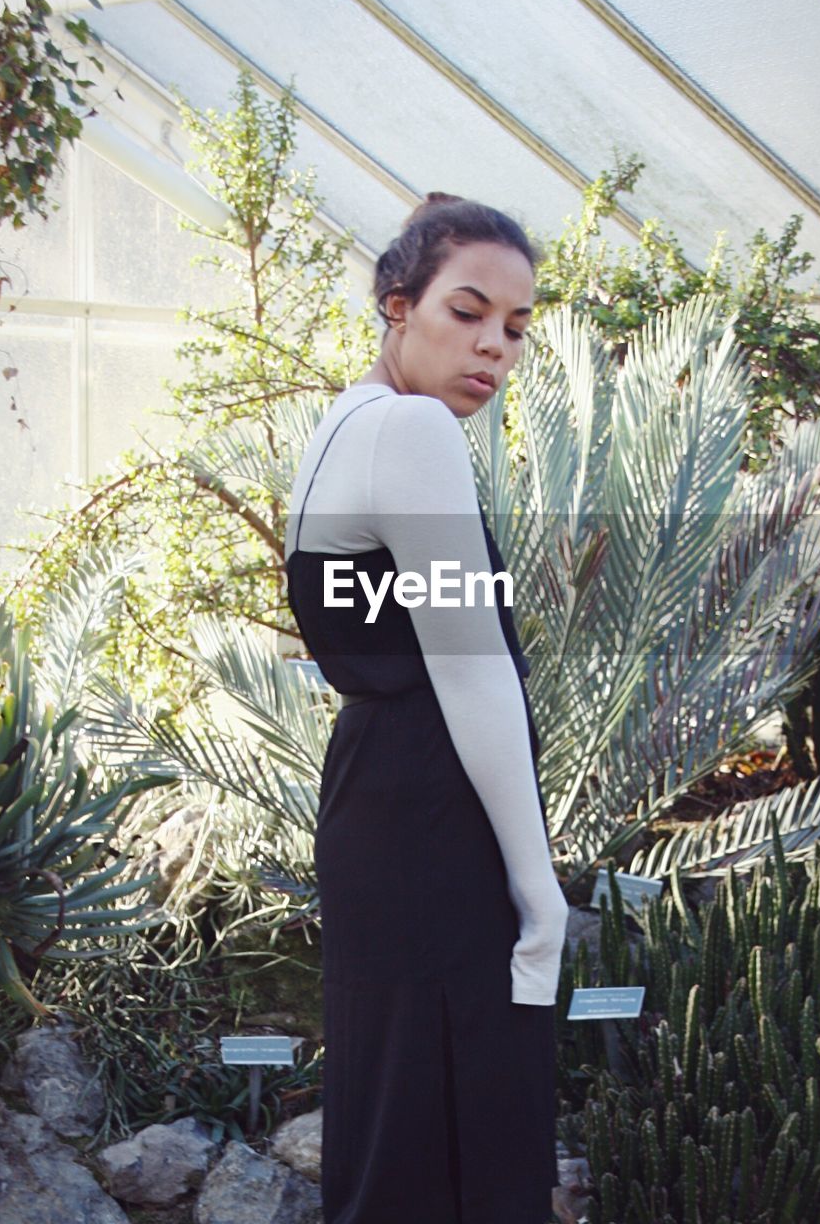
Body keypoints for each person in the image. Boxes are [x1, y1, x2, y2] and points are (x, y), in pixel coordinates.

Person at [284, 193, 569, 1223]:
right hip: (435, 819)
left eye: (516, 327)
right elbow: (472, 669)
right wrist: (538, 886)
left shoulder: (342, 424)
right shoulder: (409, 429)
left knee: (397, 1119)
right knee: (464, 1131)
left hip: (377, 799)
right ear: (396, 307)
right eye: (468, 310)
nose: (494, 345)